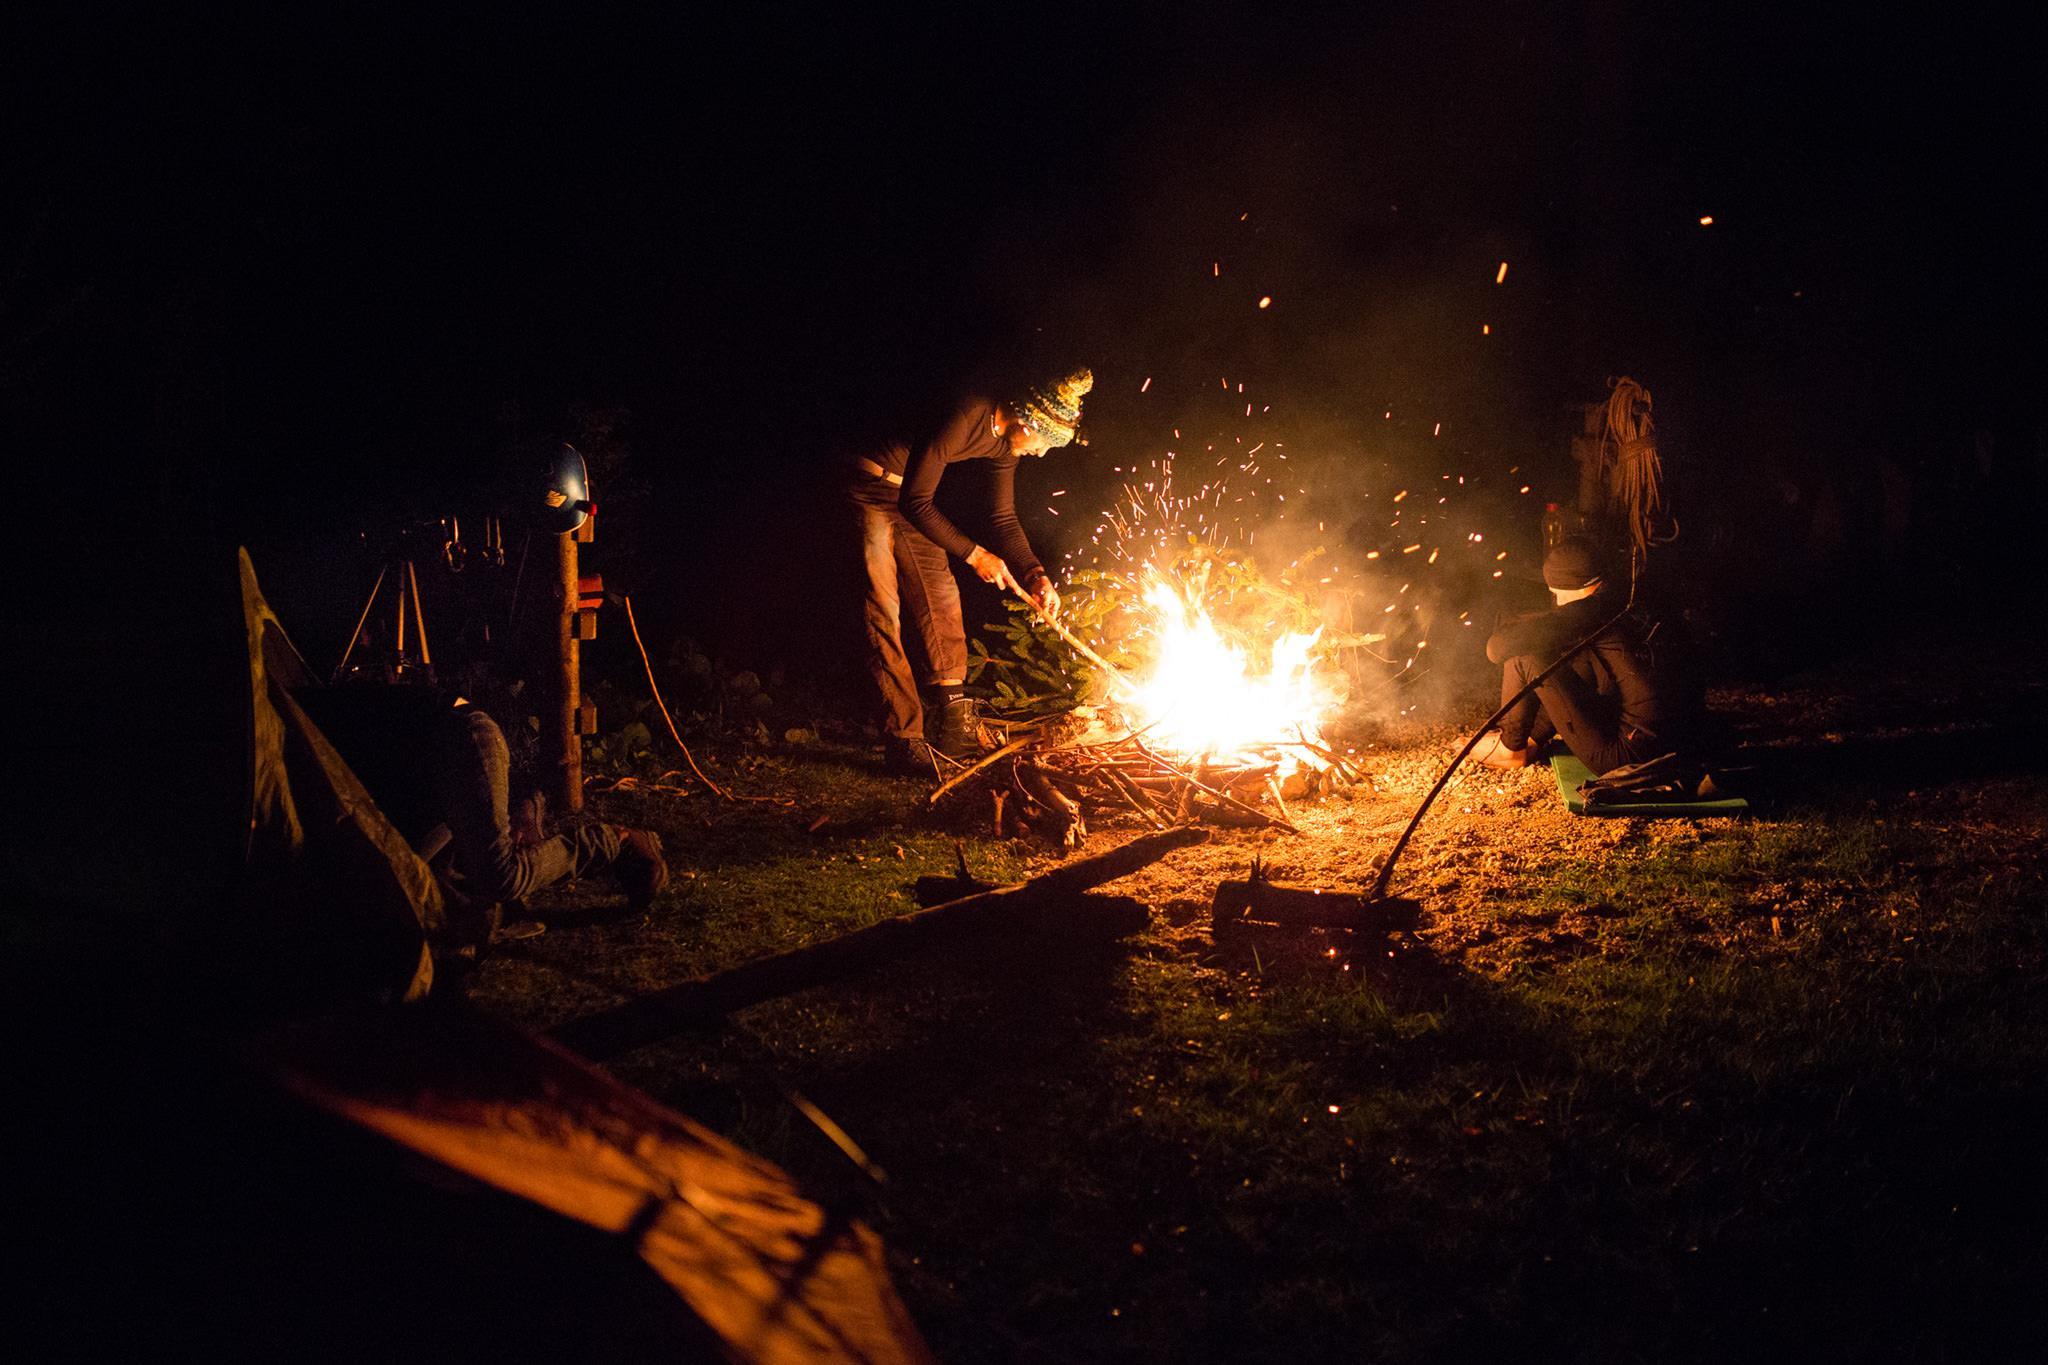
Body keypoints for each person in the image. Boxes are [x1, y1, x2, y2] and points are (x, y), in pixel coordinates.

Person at [847, 368, 1092, 772]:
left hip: (909, 494)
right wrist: (975, 555)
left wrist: (1035, 574)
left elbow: (1003, 517)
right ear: (1026, 424)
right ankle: (904, 739)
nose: (1042, 453)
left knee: (940, 593)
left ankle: (954, 722)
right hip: (869, 484)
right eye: (1045, 443)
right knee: (883, 607)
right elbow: (917, 503)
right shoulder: (964, 416)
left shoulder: (1006, 446)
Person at [296, 683, 669, 940]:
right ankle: (523, 813)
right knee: (402, 883)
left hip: (459, 738)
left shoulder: (290, 718)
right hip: (425, 781)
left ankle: (615, 840)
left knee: (499, 875)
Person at [1471, 537, 1690, 776]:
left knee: (1522, 652)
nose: (1558, 602)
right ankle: (1529, 741)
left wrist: (1526, 626)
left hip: (1630, 758)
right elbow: (1584, 675)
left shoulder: (1593, 610)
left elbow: (1497, 648)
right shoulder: (1627, 598)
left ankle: (1510, 749)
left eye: (1556, 593)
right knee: (1574, 656)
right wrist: (1535, 736)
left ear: (1572, 588)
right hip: (1674, 742)